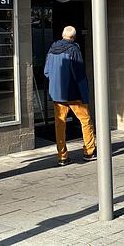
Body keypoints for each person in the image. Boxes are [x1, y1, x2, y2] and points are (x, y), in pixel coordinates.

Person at [43, 26, 96, 166]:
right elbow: (79, 75)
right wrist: (85, 95)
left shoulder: (52, 48)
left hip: (57, 95)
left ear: (62, 35)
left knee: (60, 125)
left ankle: (62, 157)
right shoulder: (74, 49)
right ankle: (89, 151)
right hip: (73, 94)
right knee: (86, 121)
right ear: (73, 37)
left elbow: (46, 72)